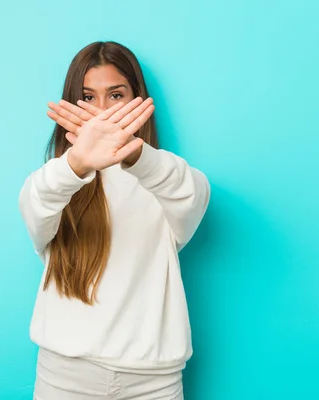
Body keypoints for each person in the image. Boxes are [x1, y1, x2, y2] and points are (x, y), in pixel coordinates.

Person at [18, 41, 211, 400]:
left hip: (153, 383)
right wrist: (78, 162)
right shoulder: (54, 181)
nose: (102, 111)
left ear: (138, 100)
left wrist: (133, 152)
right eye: (88, 97)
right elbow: (36, 202)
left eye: (116, 95)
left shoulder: (164, 177)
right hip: (65, 378)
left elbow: (192, 193)